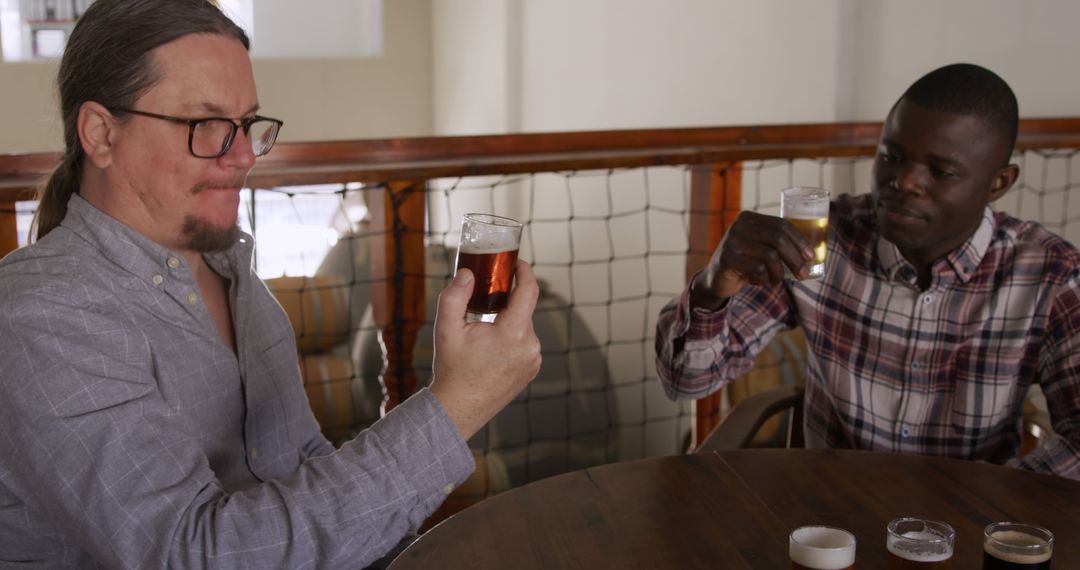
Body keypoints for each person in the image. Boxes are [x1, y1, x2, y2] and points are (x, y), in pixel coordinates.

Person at [0, 0, 541, 567]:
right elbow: (191, 556)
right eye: (204, 124)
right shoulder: (42, 314)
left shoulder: (231, 273)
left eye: (244, 125)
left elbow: (300, 465)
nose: (241, 157)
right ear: (101, 134)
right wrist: (456, 406)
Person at [656, 63, 1080, 480]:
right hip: (830, 517)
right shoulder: (824, 241)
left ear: (998, 183)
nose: (905, 181)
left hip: (968, 529)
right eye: (891, 155)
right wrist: (713, 287)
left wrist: (990, 508)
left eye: (940, 171)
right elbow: (686, 382)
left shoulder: (1050, 276)